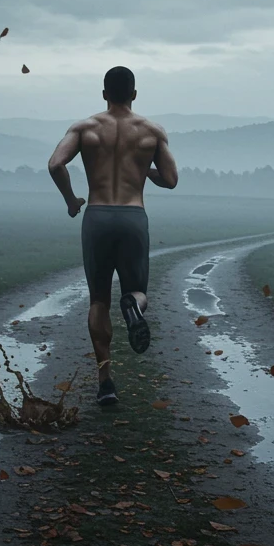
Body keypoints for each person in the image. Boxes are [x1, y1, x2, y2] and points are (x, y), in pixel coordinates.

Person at [47, 65, 179, 405]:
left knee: (98, 300)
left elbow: (55, 164)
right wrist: (142, 167)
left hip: (98, 216)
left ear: (104, 93)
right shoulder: (152, 130)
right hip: (133, 216)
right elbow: (171, 179)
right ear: (134, 94)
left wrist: (71, 201)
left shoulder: (84, 128)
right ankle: (133, 307)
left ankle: (105, 382)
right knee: (136, 291)